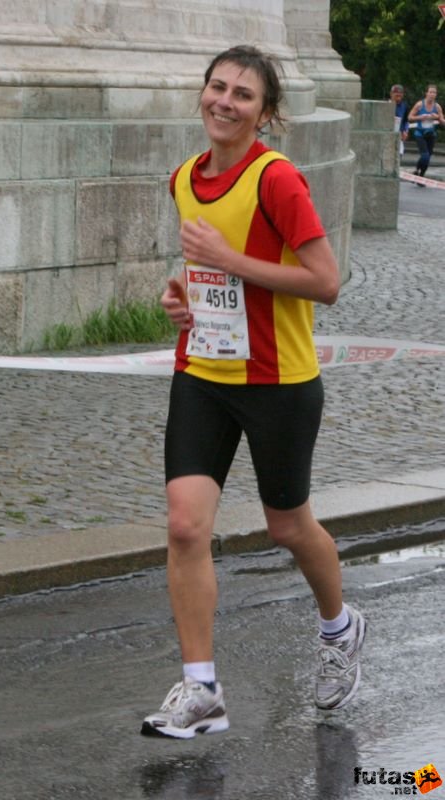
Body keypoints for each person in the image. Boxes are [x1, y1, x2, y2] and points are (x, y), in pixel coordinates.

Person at [140, 45, 366, 740]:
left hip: (279, 384)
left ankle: (339, 628)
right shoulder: (184, 177)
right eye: (216, 87)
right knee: (184, 525)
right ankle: (201, 690)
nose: (224, 102)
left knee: (286, 526)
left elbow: (326, 281)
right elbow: (202, 278)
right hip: (204, 375)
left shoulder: (277, 180)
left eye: (242, 94)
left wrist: (228, 260)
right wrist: (180, 300)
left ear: (264, 114)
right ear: (199, 93)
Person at [408, 84, 445, 182]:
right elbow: (410, 117)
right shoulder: (420, 104)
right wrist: (420, 117)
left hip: (431, 134)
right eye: (430, 92)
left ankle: (420, 175)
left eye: (434, 92)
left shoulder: (437, 107)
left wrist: (436, 117)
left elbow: (442, 121)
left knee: (428, 157)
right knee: (425, 155)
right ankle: (417, 171)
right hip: (420, 134)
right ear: (426, 93)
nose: (432, 94)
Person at [389, 84, 410, 155]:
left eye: (400, 95)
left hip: (399, 134)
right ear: (391, 94)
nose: (398, 97)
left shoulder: (405, 106)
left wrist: (406, 131)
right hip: (388, 134)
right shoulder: (386, 105)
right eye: (396, 95)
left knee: (399, 155)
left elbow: (406, 121)